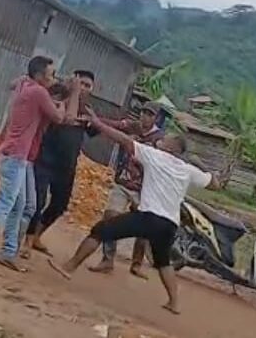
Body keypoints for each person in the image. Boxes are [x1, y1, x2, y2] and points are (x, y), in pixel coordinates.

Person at [48, 107, 219, 314]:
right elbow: (214, 184)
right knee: (163, 261)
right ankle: (174, 302)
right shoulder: (187, 170)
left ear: (171, 148)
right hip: (169, 225)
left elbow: (122, 139)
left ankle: (69, 267)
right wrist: (204, 167)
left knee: (100, 230)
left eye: (167, 140)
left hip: (148, 217)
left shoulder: (154, 155)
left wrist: (98, 124)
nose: (162, 139)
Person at [0, 56, 80, 271]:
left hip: (18, 156)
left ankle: (8, 251)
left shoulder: (26, 85)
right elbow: (62, 118)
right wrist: (70, 96)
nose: (54, 78)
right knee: (6, 202)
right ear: (39, 76)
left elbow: (15, 83)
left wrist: (58, 92)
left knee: (22, 205)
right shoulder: (38, 92)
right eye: (51, 74)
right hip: (17, 156)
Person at [22, 69, 98, 258]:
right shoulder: (55, 98)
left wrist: (94, 121)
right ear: (72, 81)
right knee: (37, 201)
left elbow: (94, 131)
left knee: (60, 204)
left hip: (67, 166)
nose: (83, 88)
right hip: (45, 159)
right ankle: (27, 241)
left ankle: (37, 235)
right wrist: (71, 95)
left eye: (87, 85)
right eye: (80, 83)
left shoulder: (88, 110)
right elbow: (62, 118)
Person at [89, 101, 164, 278]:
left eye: (150, 114)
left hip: (145, 189)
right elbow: (116, 125)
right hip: (123, 182)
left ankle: (136, 263)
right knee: (110, 217)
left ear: (156, 118)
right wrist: (96, 120)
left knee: (144, 228)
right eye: (144, 112)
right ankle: (107, 259)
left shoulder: (160, 139)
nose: (145, 117)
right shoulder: (133, 126)